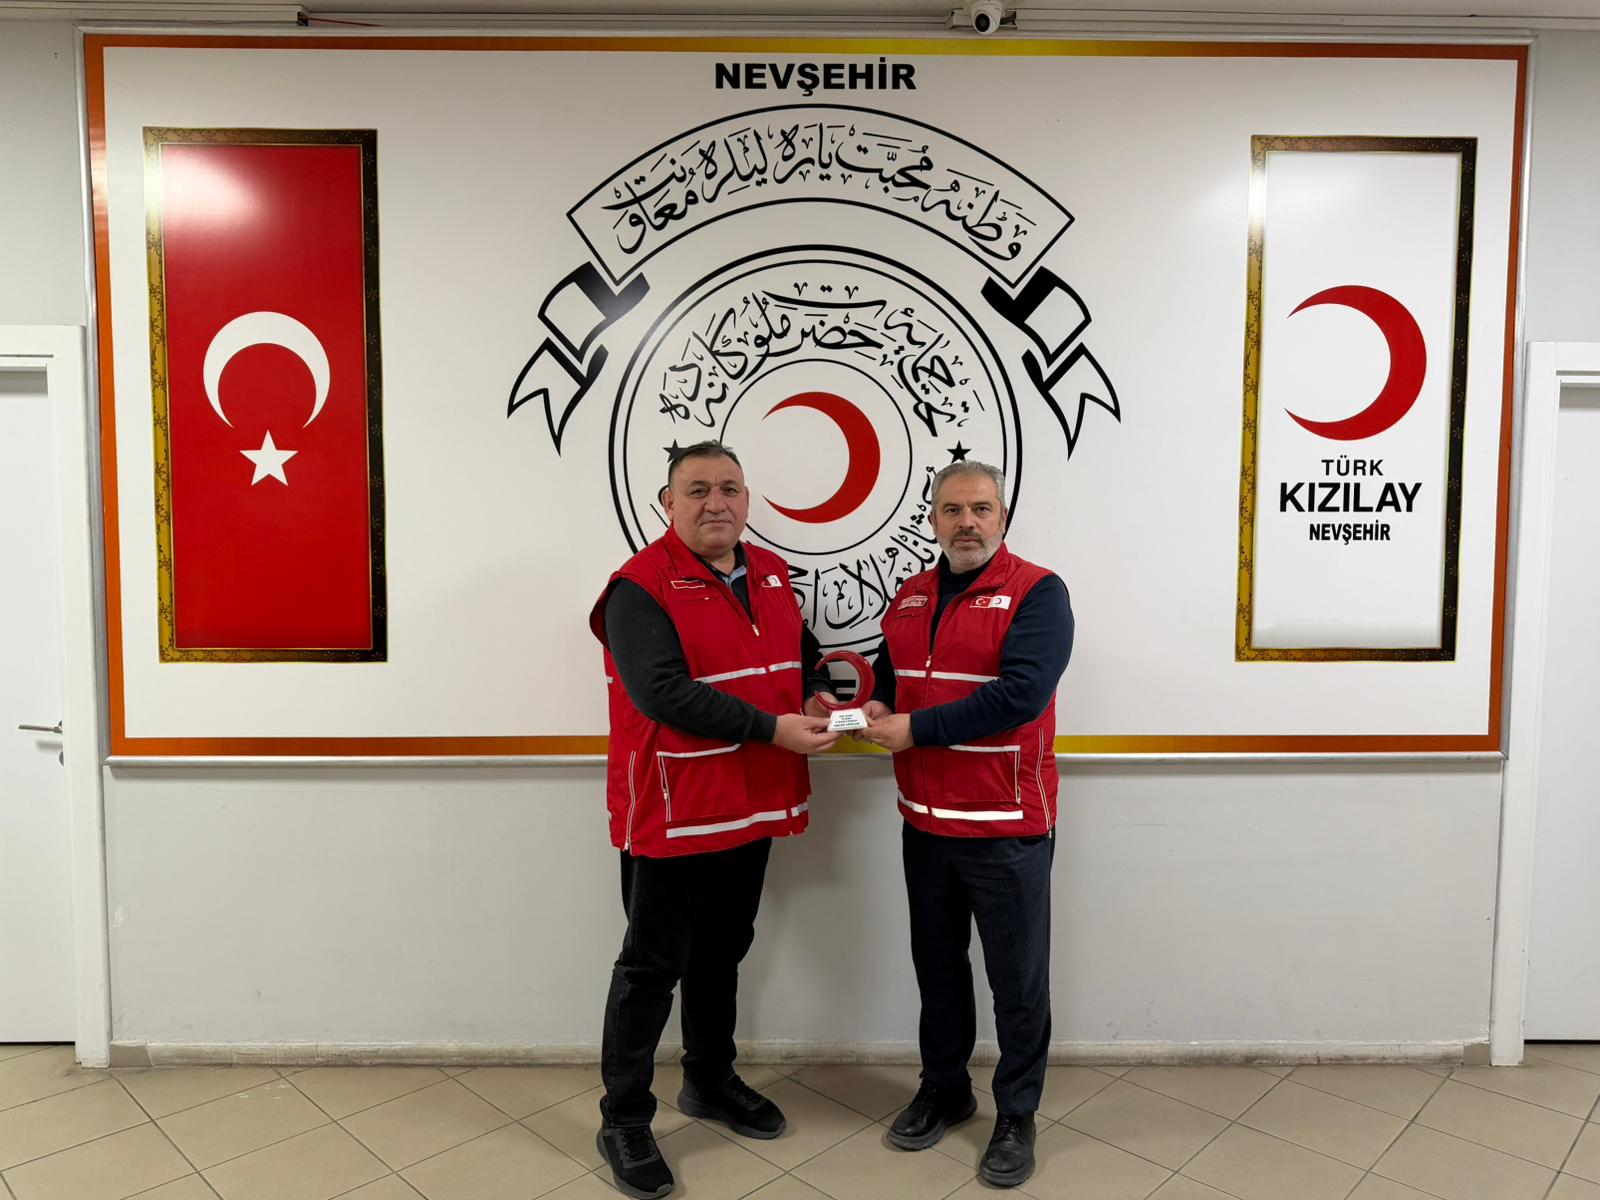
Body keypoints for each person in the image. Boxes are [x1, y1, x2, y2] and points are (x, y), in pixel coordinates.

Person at [589, 440, 839, 1200]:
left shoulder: (770, 573)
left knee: (723, 952)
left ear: (747, 500)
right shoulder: (637, 587)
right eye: (697, 490)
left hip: (749, 802)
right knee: (650, 969)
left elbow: (799, 653)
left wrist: (816, 691)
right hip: (675, 811)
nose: (716, 503)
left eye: (729, 488)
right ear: (668, 504)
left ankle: (708, 1079)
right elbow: (661, 692)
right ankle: (624, 1120)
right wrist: (773, 728)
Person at [856, 460, 1074, 1190]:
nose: (967, 522)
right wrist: (877, 705)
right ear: (933, 520)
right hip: (925, 824)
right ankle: (945, 1089)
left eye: (981, 508)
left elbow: (1021, 695)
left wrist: (915, 729)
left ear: (1002, 517)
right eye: (952, 510)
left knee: (1018, 981)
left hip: (1006, 827)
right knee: (939, 970)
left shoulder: (1039, 592)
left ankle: (1016, 1113)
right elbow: (891, 677)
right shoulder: (912, 596)